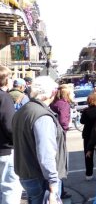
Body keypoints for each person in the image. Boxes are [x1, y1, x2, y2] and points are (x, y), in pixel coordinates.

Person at [12, 76, 67, 204]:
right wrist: (53, 183)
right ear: (53, 92)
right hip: (40, 178)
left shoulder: (23, 111)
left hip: (28, 174)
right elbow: (46, 153)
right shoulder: (42, 116)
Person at [0, 66, 23, 204]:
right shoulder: (4, 97)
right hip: (5, 151)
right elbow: (10, 127)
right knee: (10, 189)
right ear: (5, 79)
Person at [50, 84, 74, 199]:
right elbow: (64, 121)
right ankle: (58, 193)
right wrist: (65, 129)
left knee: (55, 162)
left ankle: (60, 190)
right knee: (60, 163)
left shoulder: (54, 102)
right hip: (59, 134)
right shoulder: (63, 104)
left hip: (53, 133)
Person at [80, 92, 96, 180]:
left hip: (87, 134)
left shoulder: (85, 111)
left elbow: (82, 121)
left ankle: (89, 174)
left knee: (88, 154)